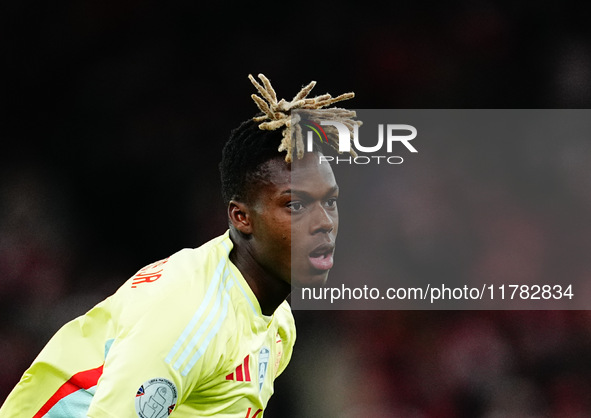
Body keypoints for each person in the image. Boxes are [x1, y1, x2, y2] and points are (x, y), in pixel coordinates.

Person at [0, 74, 357, 417]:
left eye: (330, 201)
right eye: (295, 205)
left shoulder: (277, 323)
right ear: (241, 217)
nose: (324, 222)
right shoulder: (193, 316)